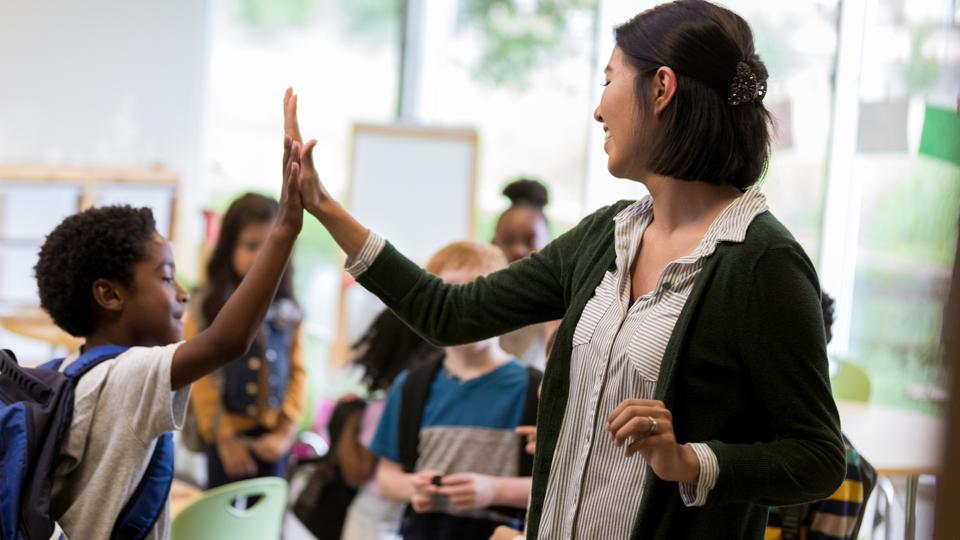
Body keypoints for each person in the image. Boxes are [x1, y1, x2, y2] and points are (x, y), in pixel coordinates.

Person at [283, 0, 845, 535]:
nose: (599, 108)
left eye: (608, 80)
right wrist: (325, 208)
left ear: (662, 87)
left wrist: (689, 461)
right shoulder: (606, 236)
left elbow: (819, 457)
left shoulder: (761, 261)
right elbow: (449, 313)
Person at [34, 135, 305, 539]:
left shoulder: (75, 372)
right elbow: (226, 342)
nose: (182, 293)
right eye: (165, 278)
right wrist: (284, 230)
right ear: (110, 295)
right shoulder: (127, 375)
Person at [369, 241, 538, 539]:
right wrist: (413, 487)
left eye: (475, 292)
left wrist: (494, 490)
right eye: (448, 294)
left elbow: (562, 486)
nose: (462, 309)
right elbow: (386, 476)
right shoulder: (411, 387)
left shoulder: (537, 389)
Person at [187, 193, 307, 488]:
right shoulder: (207, 306)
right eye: (251, 246)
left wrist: (286, 431)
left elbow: (298, 371)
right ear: (229, 248)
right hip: (225, 439)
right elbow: (200, 377)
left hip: (273, 440)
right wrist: (224, 436)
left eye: (270, 247)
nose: (261, 257)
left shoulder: (289, 308)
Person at [340, 310, 443, 540]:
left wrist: (349, 423)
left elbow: (359, 471)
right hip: (413, 512)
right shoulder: (434, 397)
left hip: (376, 509)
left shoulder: (385, 406)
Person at [493, 178, 554, 370]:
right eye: (509, 240)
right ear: (493, 243)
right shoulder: (480, 297)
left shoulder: (560, 305)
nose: (519, 250)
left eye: (530, 241)